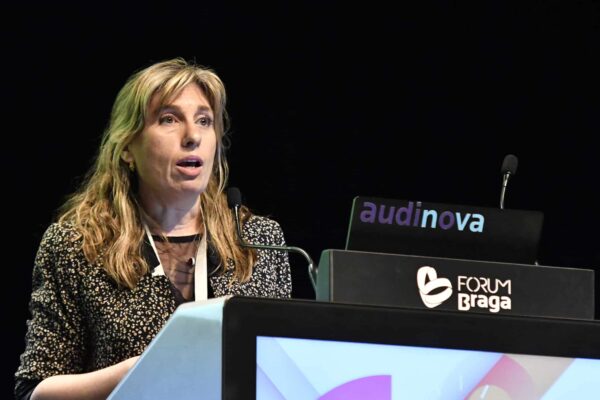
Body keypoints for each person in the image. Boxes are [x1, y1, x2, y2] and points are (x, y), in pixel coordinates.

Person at [14, 57, 292, 400]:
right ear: (127, 148)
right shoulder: (77, 245)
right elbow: (35, 390)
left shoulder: (258, 241)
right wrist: (138, 370)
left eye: (204, 121)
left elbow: (283, 372)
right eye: (169, 119)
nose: (192, 136)